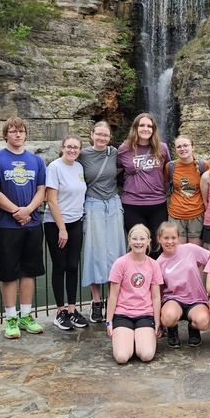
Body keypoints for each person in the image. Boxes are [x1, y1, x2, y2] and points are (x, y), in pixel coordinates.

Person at [0, 117, 46, 340]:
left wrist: (28, 210)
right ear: (6, 134)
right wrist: (17, 212)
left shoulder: (36, 160)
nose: (18, 135)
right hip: (6, 225)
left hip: (32, 223)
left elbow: (42, 189)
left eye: (21, 131)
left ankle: (26, 315)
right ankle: (10, 317)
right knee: (9, 273)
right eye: (13, 131)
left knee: (29, 271)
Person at [78, 120, 126, 325]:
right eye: (98, 134)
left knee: (117, 252)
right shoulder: (82, 155)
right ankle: (96, 302)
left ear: (110, 138)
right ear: (91, 134)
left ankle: (116, 301)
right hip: (93, 203)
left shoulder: (115, 152)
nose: (102, 138)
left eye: (105, 135)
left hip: (114, 203)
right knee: (94, 251)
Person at [44, 135, 87, 333]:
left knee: (73, 266)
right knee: (59, 266)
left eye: (76, 147)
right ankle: (59, 311)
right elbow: (51, 200)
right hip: (56, 224)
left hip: (76, 222)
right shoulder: (54, 167)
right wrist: (61, 228)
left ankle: (72, 310)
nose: (72, 150)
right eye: (69, 147)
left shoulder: (78, 167)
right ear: (62, 147)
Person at [106, 224, 163, 364]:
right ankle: (128, 339)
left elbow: (156, 296)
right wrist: (109, 321)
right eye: (135, 239)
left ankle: (138, 338)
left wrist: (157, 323)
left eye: (142, 239)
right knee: (121, 357)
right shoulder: (120, 263)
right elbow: (113, 295)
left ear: (149, 241)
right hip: (123, 314)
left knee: (146, 355)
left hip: (145, 314)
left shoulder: (153, 265)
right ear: (129, 241)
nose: (138, 242)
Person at [117, 112, 170, 244]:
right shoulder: (125, 148)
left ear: (153, 129)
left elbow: (168, 171)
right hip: (132, 204)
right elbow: (115, 171)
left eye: (149, 126)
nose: (145, 129)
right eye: (142, 125)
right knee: (138, 244)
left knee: (158, 245)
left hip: (157, 204)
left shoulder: (162, 148)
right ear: (135, 128)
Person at [157, 221, 210, 347]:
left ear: (178, 237)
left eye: (173, 237)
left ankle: (193, 328)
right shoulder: (158, 263)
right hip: (173, 299)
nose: (170, 241)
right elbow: (157, 292)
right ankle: (172, 328)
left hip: (195, 299)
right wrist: (159, 322)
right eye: (166, 238)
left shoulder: (190, 249)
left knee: (203, 322)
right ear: (159, 239)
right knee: (168, 318)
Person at [165, 135, 207, 245]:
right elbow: (165, 186)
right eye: (179, 147)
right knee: (178, 254)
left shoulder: (204, 166)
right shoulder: (170, 166)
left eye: (185, 145)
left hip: (197, 214)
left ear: (192, 147)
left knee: (196, 255)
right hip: (176, 215)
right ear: (175, 149)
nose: (182, 149)